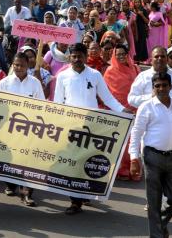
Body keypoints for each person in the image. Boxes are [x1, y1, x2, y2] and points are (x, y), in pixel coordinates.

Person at [54, 43, 128, 215]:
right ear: (69, 57)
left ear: (86, 57)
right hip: (71, 127)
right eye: (74, 56)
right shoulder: (62, 76)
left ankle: (83, 192)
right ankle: (75, 201)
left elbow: (108, 98)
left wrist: (123, 111)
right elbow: (58, 102)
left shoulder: (94, 75)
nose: (77, 59)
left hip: (92, 127)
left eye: (80, 56)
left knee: (88, 161)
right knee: (73, 162)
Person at [129, 72, 172, 238]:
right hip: (152, 157)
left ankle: (160, 224)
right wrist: (134, 158)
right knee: (154, 201)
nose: (161, 89)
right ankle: (156, 234)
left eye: (164, 85)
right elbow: (137, 133)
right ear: (153, 88)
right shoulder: (146, 107)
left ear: (170, 86)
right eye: (157, 86)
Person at [0, 52, 45, 207]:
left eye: (22, 65)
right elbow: (0, 106)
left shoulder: (35, 83)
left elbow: (42, 106)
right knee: (9, 159)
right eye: (16, 65)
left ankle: (27, 193)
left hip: (29, 129)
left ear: (27, 66)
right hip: (9, 129)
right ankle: (10, 185)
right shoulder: (4, 82)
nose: (18, 68)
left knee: (28, 161)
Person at [104, 45, 140, 180]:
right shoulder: (109, 71)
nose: (120, 56)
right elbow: (107, 93)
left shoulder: (135, 68)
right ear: (113, 55)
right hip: (117, 110)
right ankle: (120, 170)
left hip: (133, 109)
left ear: (127, 54)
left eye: (123, 54)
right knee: (119, 141)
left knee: (133, 141)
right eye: (117, 54)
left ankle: (133, 169)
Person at [128, 46, 172, 115]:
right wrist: (150, 97)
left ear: (167, 59)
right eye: (156, 56)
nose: (160, 59)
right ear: (151, 60)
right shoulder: (143, 76)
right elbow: (131, 99)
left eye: (162, 56)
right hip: (150, 119)